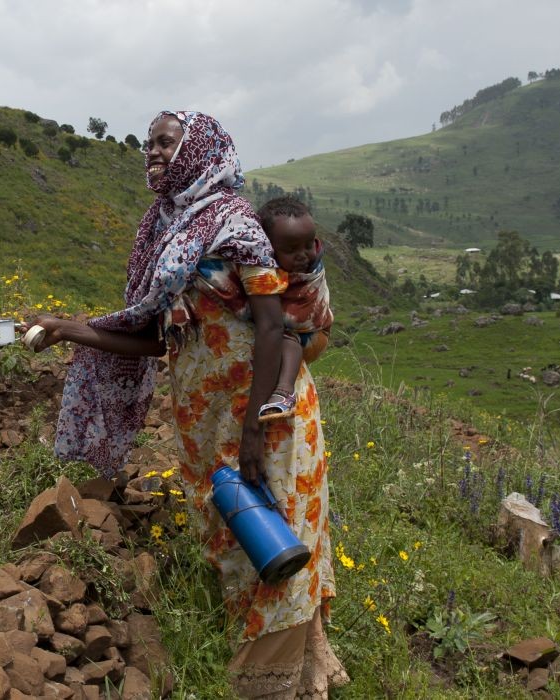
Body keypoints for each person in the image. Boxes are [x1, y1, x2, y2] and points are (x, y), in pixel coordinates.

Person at [29, 111, 348, 698]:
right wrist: (68, 329)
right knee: (237, 537)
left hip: (266, 413)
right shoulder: (162, 230)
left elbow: (275, 325)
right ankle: (296, 664)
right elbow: (159, 338)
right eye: (148, 142)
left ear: (199, 149)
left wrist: (253, 427)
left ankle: (274, 683)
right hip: (203, 419)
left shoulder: (235, 225)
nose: (152, 151)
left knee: (279, 532)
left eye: (166, 142)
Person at [255, 196, 333, 422]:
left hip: (313, 335)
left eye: (308, 245)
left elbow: (304, 303)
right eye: (291, 249)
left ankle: (283, 392)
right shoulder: (263, 267)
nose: (303, 255)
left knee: (282, 334)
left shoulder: (312, 269)